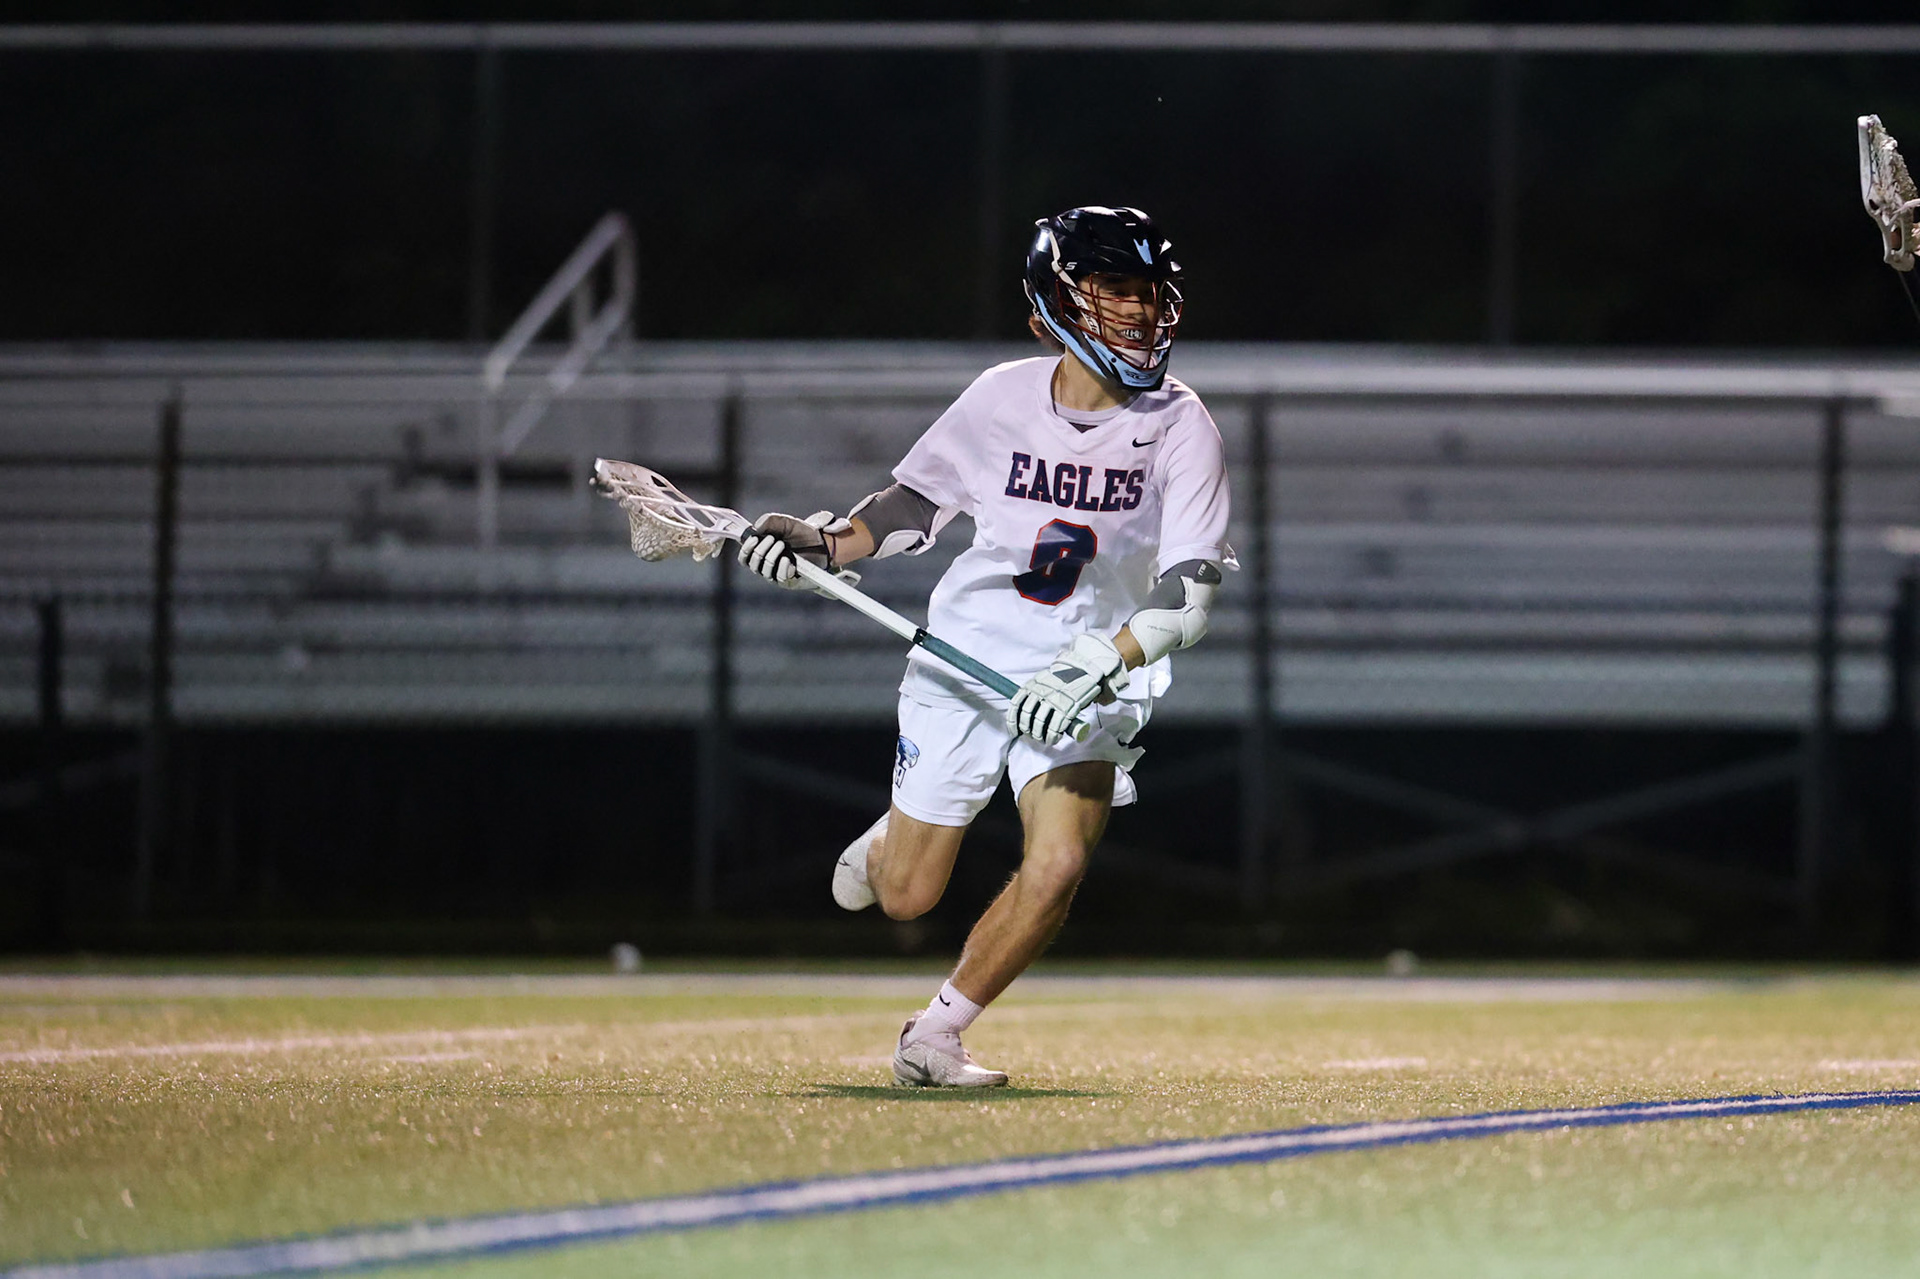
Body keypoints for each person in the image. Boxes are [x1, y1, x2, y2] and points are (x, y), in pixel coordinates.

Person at [738, 206, 1233, 1087]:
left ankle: (936, 1033)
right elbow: (910, 510)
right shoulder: (1002, 396)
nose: (1141, 312)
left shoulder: (1182, 425)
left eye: (1151, 293)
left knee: (1060, 861)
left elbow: (1189, 597)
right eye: (1116, 290)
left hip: (1090, 678)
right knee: (904, 896)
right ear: (1055, 305)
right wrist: (821, 544)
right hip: (966, 662)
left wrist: (1097, 662)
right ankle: (895, 836)